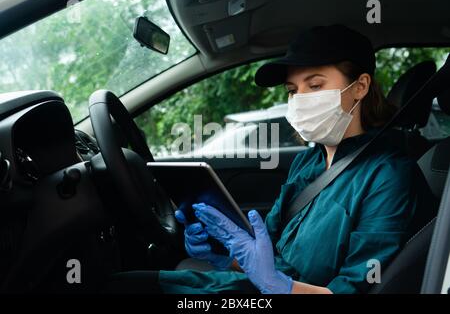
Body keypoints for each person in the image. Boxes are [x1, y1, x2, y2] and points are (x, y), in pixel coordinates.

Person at [105, 24, 433, 294]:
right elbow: (266, 256)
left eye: (315, 85)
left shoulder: (389, 177)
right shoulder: (309, 162)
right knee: (119, 286)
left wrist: (278, 285)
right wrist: (224, 253)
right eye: (292, 90)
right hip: (256, 290)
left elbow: (358, 289)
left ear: (360, 86)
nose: (300, 100)